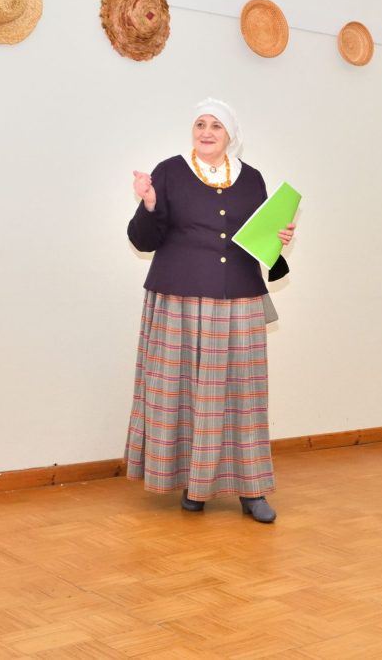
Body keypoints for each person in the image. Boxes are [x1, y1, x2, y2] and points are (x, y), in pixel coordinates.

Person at [125, 98, 296, 524]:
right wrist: (149, 203)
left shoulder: (252, 178)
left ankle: (251, 490)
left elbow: (258, 240)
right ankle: (193, 484)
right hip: (179, 298)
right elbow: (144, 241)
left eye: (216, 126)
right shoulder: (169, 171)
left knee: (243, 397)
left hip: (238, 299)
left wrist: (278, 238)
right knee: (183, 394)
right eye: (200, 124)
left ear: (229, 134)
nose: (206, 132)